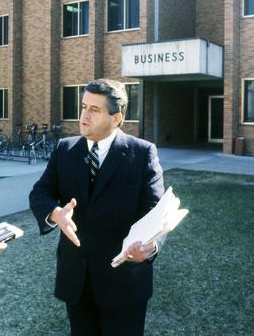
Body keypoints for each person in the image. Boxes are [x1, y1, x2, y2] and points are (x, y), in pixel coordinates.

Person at [29, 78, 165, 336]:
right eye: (83, 106)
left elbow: (156, 210)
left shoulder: (142, 153)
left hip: (124, 281)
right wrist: (55, 213)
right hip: (76, 280)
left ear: (116, 118)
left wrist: (150, 246)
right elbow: (40, 193)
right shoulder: (64, 149)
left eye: (94, 109)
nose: (84, 115)